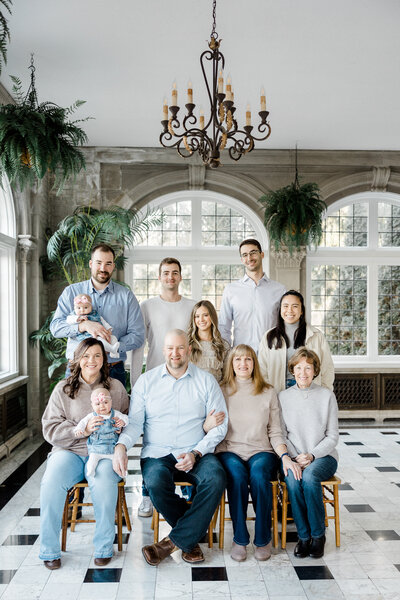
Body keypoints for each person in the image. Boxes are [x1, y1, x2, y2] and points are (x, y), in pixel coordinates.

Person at [113, 329, 228, 566]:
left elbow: (220, 426)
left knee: (215, 478)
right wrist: (122, 446)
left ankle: (170, 543)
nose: (175, 353)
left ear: (188, 349)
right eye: (170, 348)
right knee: (154, 483)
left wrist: (197, 453)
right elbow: (135, 423)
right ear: (163, 351)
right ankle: (190, 537)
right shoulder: (146, 381)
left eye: (180, 348)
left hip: (196, 449)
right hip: (157, 452)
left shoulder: (206, 381)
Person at [39, 338, 129, 570]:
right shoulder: (64, 389)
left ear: (104, 359)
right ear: (78, 359)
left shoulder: (116, 388)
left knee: (105, 484)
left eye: (97, 355)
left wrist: (120, 433)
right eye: (86, 355)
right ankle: (49, 549)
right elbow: (49, 428)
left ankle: (103, 547)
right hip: (69, 450)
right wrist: (80, 430)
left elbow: (129, 422)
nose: (92, 360)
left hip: (105, 453)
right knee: (51, 481)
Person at [215, 344, 302, 562]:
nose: (243, 364)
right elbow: (214, 426)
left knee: (260, 475)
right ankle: (240, 538)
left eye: (248, 359)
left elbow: (275, 431)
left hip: (262, 450)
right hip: (229, 449)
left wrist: (284, 456)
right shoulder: (221, 389)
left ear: (254, 363)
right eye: (238, 360)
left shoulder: (268, 391)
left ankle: (263, 538)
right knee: (236, 475)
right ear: (231, 364)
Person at [131, 257, 196, 517]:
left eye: (175, 273)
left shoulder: (191, 306)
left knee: (190, 431)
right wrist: (136, 382)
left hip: (186, 379)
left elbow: (197, 346)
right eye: (166, 273)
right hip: (155, 382)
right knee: (152, 438)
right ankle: (147, 494)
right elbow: (138, 346)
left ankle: (191, 488)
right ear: (159, 277)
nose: (170, 277)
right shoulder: (147, 306)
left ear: (181, 277)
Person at [50, 243, 144, 388]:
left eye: (108, 264)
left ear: (113, 266)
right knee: (74, 411)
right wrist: (83, 325)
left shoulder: (126, 297)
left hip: (112, 370)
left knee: (116, 411)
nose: (103, 268)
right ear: (90, 264)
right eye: (99, 263)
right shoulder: (71, 292)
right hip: (77, 368)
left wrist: (112, 345)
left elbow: (137, 336)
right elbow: (56, 328)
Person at [279, 348, 339, 559]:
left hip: (324, 457)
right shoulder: (283, 397)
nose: (303, 372)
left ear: (315, 371)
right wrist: (296, 457)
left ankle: (318, 536)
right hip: (294, 456)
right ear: (292, 371)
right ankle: (303, 538)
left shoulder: (326, 396)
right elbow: (282, 434)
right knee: (294, 481)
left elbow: (332, 436)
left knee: (310, 477)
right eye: (298, 368)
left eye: (308, 368)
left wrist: (312, 456)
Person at [258, 290, 334, 392]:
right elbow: (262, 370)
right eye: (285, 306)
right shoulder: (269, 336)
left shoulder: (316, 336)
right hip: (278, 391)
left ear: (302, 310)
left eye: (295, 306)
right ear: (280, 309)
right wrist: (267, 394)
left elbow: (327, 368)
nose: (289, 310)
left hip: (310, 391)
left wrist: (324, 393)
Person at [218, 239, 286, 352]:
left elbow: (285, 326)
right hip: (241, 358)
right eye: (245, 255)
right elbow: (223, 327)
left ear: (262, 254)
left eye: (253, 252)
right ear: (241, 259)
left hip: (271, 355)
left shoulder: (279, 290)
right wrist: (227, 354)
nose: (249, 258)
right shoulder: (231, 290)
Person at [74, 387, 129, 477]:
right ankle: (91, 471)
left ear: (111, 402)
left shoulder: (115, 414)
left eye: (105, 403)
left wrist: (123, 422)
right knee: (92, 459)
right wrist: (79, 429)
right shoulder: (92, 416)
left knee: (118, 461)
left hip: (112, 447)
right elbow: (83, 422)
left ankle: (123, 472)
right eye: (98, 404)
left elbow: (126, 418)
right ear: (92, 405)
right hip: (96, 447)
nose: (102, 406)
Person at [187, 300, 230, 383]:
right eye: (197, 316)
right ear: (194, 319)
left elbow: (226, 378)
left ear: (212, 317)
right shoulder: (187, 344)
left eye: (205, 315)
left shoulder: (224, 346)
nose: (201, 320)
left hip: (215, 392)